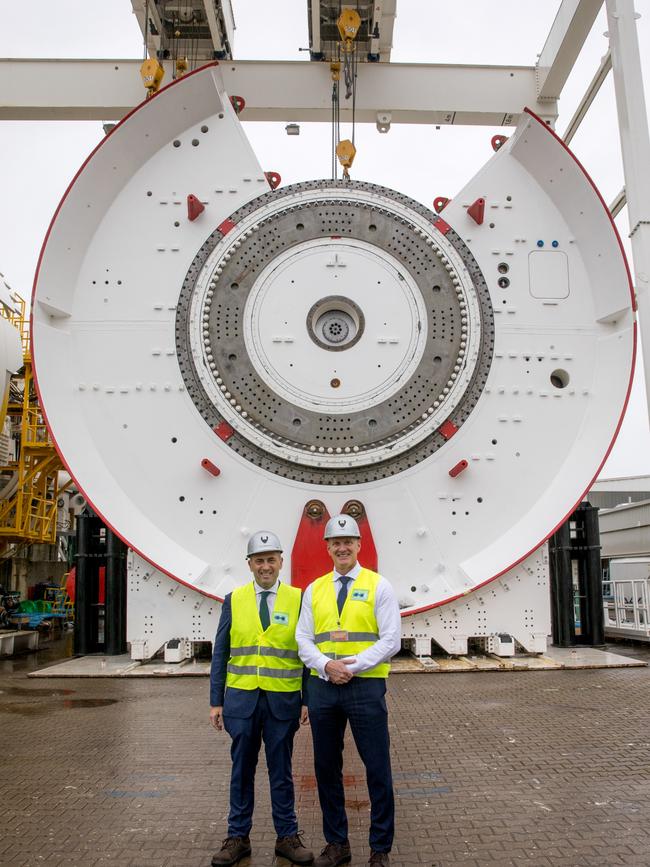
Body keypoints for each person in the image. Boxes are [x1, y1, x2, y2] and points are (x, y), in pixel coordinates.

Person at [296, 514, 401, 867]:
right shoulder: (315, 589)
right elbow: (303, 639)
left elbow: (391, 640)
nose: (342, 547)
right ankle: (337, 843)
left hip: (365, 686)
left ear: (359, 545)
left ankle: (380, 849)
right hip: (324, 688)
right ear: (327, 548)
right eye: (335, 542)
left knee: (377, 767)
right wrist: (327, 666)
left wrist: (350, 667)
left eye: (348, 542)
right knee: (326, 768)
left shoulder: (379, 586)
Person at [209, 531, 314, 866]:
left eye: (271, 559)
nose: (265, 566)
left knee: (281, 772)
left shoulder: (298, 600)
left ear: (281, 562)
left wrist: (306, 699)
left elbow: (308, 653)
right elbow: (221, 652)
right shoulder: (234, 599)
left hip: (282, 703)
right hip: (241, 702)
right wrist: (216, 701)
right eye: (259, 560)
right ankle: (237, 837)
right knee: (242, 770)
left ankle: (287, 837)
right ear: (250, 564)